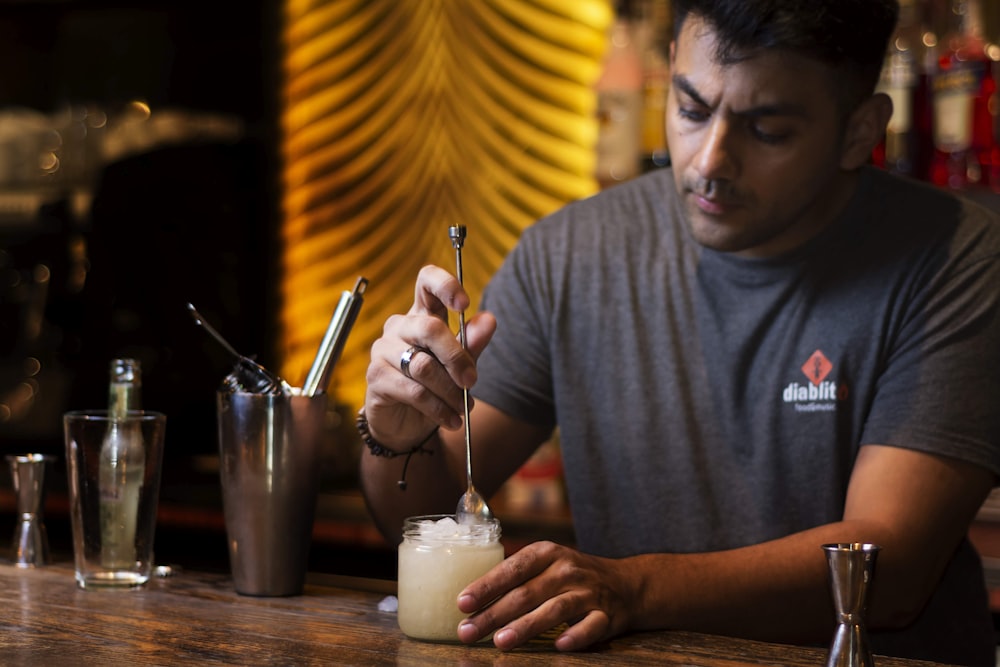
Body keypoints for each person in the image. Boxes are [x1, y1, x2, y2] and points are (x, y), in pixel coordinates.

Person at [358, 0, 1000, 664]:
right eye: (692, 110)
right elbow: (427, 504)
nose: (709, 162)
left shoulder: (956, 256)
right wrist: (392, 431)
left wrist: (635, 587)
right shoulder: (570, 252)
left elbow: (886, 569)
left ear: (858, 131)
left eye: (768, 130)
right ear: (669, 70)